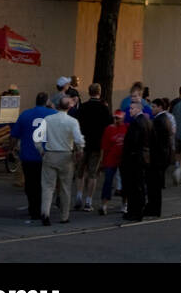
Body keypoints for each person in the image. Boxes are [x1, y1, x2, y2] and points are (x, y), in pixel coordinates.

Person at [10, 91, 56, 223]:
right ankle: (43, 208)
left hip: (28, 155)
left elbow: (15, 135)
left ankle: (33, 207)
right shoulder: (53, 114)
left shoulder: (25, 114)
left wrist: (10, 148)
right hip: (47, 154)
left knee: (31, 183)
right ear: (47, 102)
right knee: (45, 184)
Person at [40, 95, 85, 225]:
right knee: (65, 187)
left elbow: (38, 137)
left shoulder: (48, 119)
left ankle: (45, 213)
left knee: (48, 187)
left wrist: (41, 150)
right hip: (66, 155)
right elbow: (78, 139)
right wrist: (80, 150)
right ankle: (64, 216)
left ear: (58, 105)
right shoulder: (72, 121)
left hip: (50, 153)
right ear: (69, 107)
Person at [72, 83, 112, 212]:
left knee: (80, 172)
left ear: (89, 93)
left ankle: (78, 195)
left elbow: (76, 124)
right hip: (96, 144)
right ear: (99, 93)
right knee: (93, 173)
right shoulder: (104, 108)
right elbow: (109, 126)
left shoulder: (82, 107)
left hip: (83, 143)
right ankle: (89, 201)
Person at [120, 99, 152, 221]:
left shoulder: (136, 123)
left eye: (132, 108)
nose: (130, 111)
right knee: (139, 185)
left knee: (134, 186)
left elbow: (132, 142)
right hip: (143, 157)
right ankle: (138, 210)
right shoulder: (147, 121)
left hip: (135, 158)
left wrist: (127, 155)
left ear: (139, 109)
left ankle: (135, 211)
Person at [98, 110, 127, 215]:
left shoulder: (126, 128)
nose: (116, 120)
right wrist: (102, 161)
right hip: (110, 158)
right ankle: (104, 204)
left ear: (123, 118)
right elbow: (104, 147)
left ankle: (124, 204)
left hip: (123, 159)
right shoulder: (109, 129)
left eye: (118, 118)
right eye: (115, 118)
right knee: (108, 181)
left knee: (125, 182)